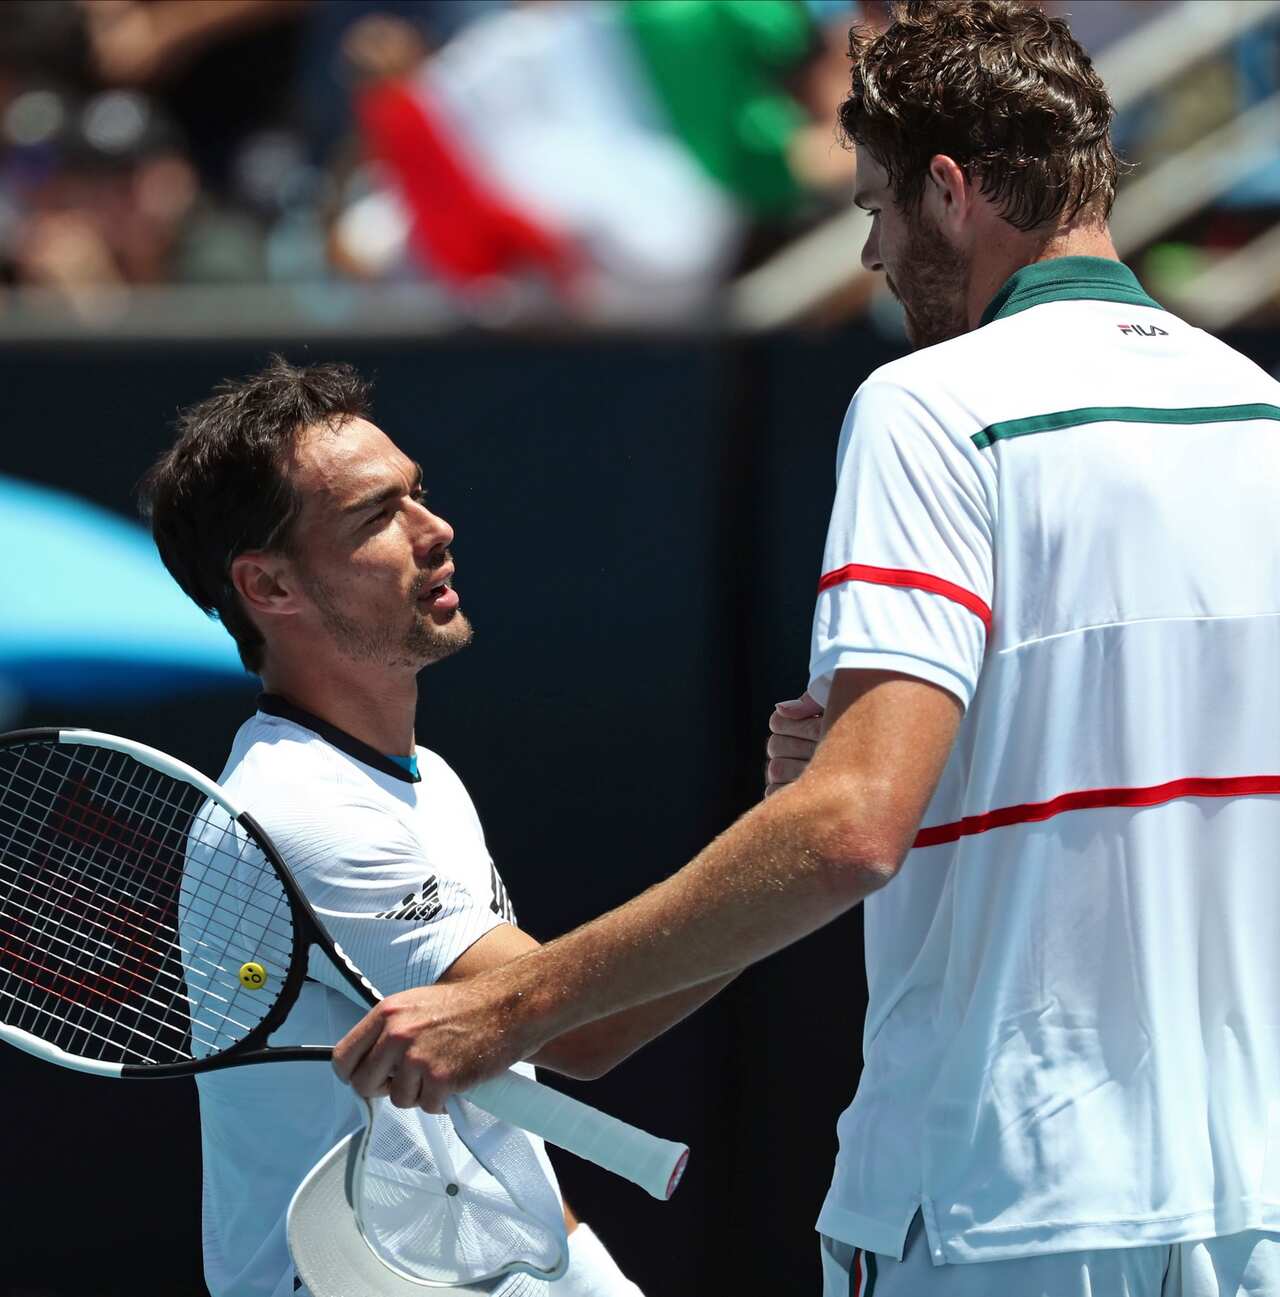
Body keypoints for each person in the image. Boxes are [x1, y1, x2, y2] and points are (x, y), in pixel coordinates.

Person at [331, 3, 1280, 1295]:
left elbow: (849, 830)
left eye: (880, 207)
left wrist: (514, 1004)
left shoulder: (929, 405)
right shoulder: (1260, 413)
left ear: (951, 192)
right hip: (1251, 1212)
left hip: (999, 1209)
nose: (876, 251)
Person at [140, 358, 731, 1297]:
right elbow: (585, 1025)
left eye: (418, 494)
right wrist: (804, 844)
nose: (435, 528)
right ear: (270, 586)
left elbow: (493, 1128)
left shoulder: (429, 780)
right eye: (377, 515)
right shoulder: (299, 811)